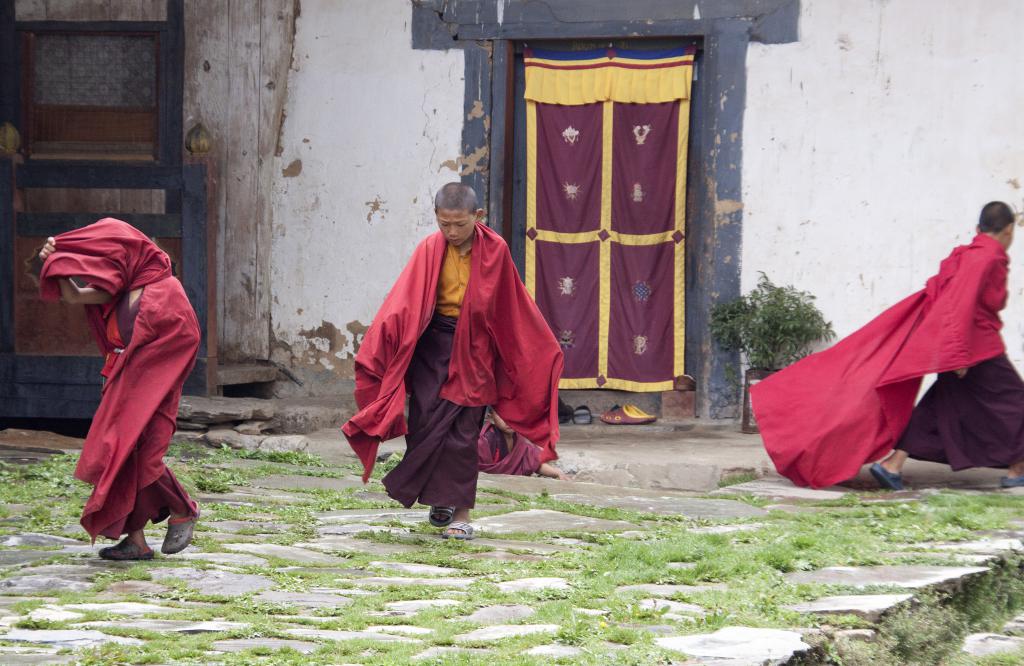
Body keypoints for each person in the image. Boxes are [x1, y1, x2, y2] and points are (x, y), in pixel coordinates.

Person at [342, 183, 563, 540]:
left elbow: (510, 305)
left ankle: (461, 513)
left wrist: (534, 349)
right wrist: (379, 344)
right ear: (436, 218)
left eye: (459, 224)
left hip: (475, 347)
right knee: (427, 422)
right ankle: (438, 499)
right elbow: (404, 302)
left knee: (463, 432)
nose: (452, 232)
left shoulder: (496, 250)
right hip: (433, 344)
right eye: (445, 224)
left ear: (478, 217)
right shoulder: (429, 249)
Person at [751, 202, 1023, 490]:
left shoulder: (968, 254)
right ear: (1008, 230)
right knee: (1015, 402)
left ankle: (892, 465)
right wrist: (958, 354)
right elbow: (959, 304)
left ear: (978, 228)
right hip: (975, 349)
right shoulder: (986, 257)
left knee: (939, 408)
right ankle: (1017, 469)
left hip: (963, 347)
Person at [33, 218, 201, 560]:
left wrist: (148, 376)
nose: (108, 266)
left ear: (132, 256)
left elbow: (185, 338)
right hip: (121, 382)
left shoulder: (166, 289)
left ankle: (183, 508)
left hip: (153, 386)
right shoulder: (119, 287)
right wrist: (58, 262)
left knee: (143, 456)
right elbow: (73, 295)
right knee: (119, 456)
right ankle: (135, 541)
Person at [479, 409, 568, 480]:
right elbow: (478, 469)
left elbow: (535, 463)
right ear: (491, 418)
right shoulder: (485, 440)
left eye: (514, 414)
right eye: (502, 415)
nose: (509, 420)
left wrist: (557, 473)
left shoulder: (519, 439)